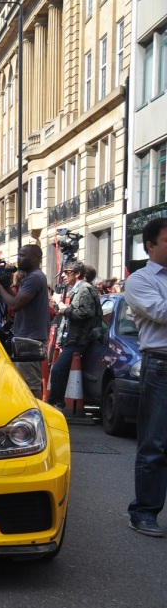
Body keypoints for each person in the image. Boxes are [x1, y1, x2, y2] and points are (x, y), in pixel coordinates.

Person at [121, 218, 167, 538]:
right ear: (150, 246)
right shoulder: (139, 280)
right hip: (161, 365)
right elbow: (162, 313)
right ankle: (144, 512)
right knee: (155, 443)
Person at [0, 243, 49, 397]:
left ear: (35, 258)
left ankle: (37, 414)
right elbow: (18, 299)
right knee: (23, 382)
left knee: (30, 384)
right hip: (27, 337)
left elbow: (15, 305)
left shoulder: (35, 277)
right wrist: (6, 286)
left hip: (31, 339)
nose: (19, 259)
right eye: (19, 255)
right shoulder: (32, 277)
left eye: (23, 255)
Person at [46, 262, 100, 409]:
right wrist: (58, 303)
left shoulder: (85, 290)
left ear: (77, 274)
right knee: (60, 371)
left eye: (67, 272)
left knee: (57, 370)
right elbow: (66, 312)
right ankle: (58, 402)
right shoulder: (75, 290)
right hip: (71, 338)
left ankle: (54, 404)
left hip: (79, 339)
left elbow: (84, 313)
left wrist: (62, 307)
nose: (63, 275)